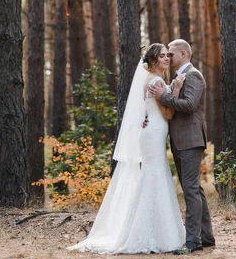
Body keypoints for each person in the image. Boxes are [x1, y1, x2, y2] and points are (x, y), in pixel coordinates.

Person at [68, 43, 186, 254]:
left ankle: (152, 229)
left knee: (151, 176)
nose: (167, 59)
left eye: (168, 55)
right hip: (154, 133)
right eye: (162, 57)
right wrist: (176, 88)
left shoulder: (152, 79)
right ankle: (151, 233)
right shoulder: (156, 81)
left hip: (152, 131)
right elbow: (168, 114)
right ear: (152, 61)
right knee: (155, 175)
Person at [149, 39, 215, 254]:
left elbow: (188, 105)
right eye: (165, 54)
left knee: (190, 191)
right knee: (194, 189)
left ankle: (192, 243)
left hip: (190, 140)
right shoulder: (178, 77)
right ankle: (206, 237)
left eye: (171, 53)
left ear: (184, 54)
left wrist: (163, 97)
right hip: (181, 140)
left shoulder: (193, 75)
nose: (168, 57)